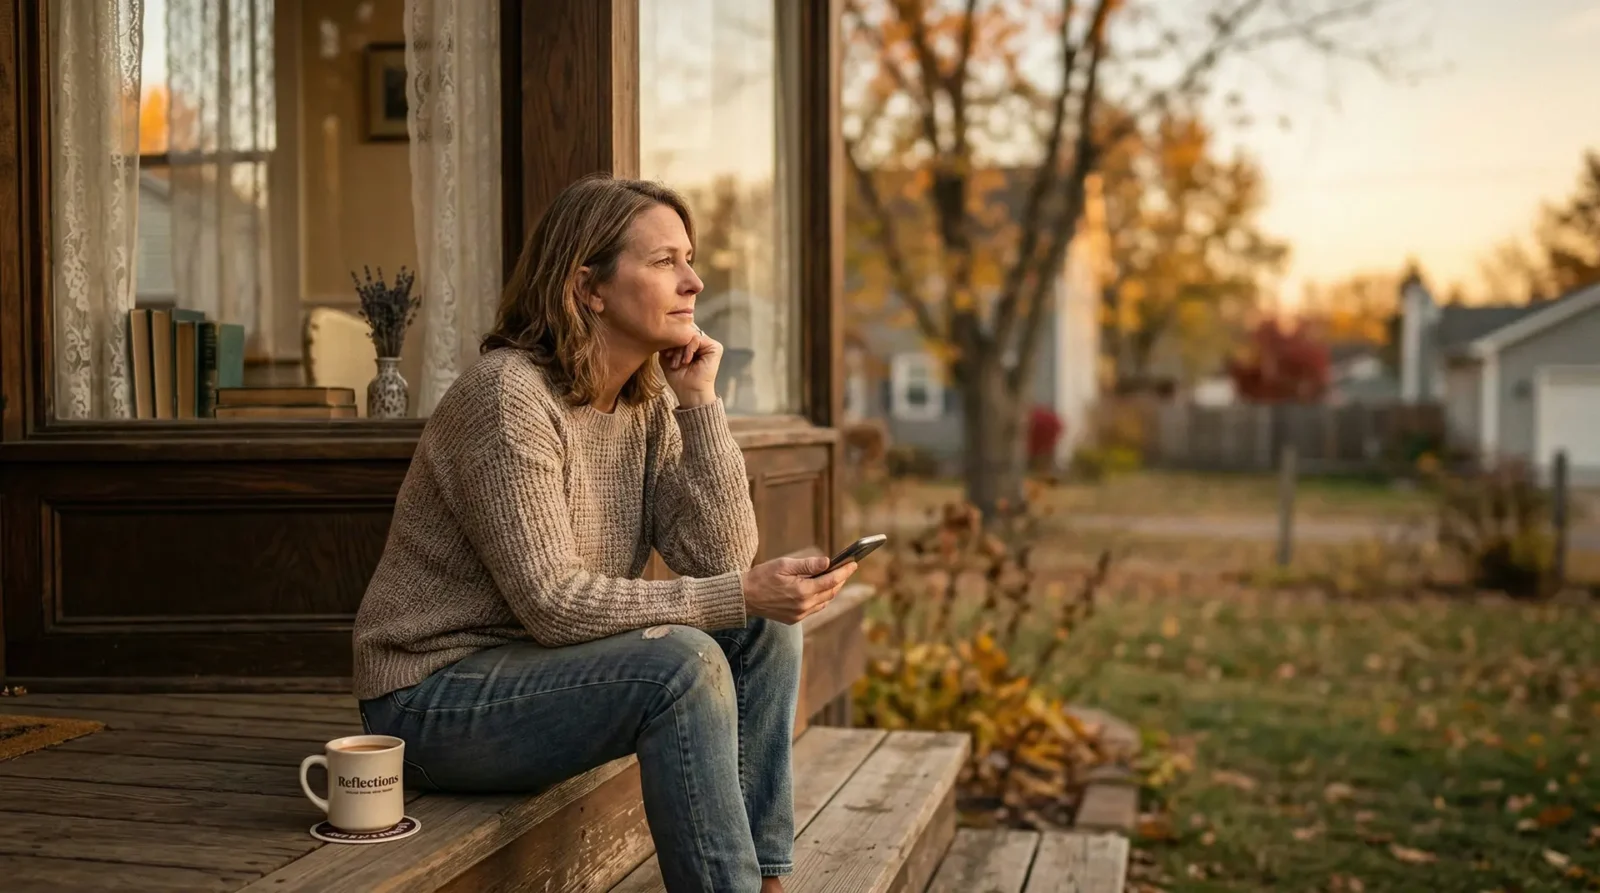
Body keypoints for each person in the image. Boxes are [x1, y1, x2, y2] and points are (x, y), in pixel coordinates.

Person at [351, 173, 858, 892]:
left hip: (542, 673)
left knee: (765, 628)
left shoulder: (644, 402)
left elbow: (721, 558)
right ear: (588, 286)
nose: (694, 279)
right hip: (429, 701)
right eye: (665, 261)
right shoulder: (507, 396)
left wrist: (700, 404)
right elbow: (553, 603)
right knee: (684, 663)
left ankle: (765, 878)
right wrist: (739, 589)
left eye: (690, 258)